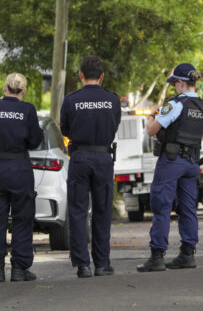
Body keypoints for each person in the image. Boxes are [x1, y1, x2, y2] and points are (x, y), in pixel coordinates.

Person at [137, 63, 203, 272]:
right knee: (188, 208)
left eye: (174, 83)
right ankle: (187, 254)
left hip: (171, 161)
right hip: (192, 163)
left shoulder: (175, 104)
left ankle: (157, 256)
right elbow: (202, 135)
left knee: (161, 206)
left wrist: (151, 114)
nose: (174, 87)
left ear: (180, 83)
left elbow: (152, 131)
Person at [0, 73, 43, 282]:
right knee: (22, 218)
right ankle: (19, 269)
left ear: (5, 88)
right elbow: (35, 141)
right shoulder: (27, 110)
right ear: (23, 91)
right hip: (20, 168)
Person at [60, 55, 121, 278]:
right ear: (102, 76)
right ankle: (102, 264)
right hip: (103, 158)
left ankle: (82, 264)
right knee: (102, 211)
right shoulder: (112, 99)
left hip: (80, 158)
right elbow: (115, 125)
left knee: (78, 211)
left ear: (81, 75)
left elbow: (65, 129)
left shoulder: (71, 100)